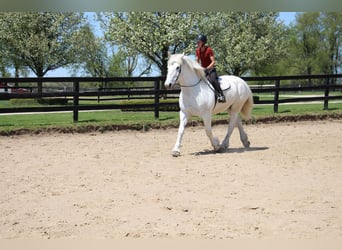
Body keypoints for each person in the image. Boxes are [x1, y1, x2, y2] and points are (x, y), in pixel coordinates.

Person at [195, 34, 226, 103]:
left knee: (214, 80)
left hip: (211, 69)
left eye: (199, 42)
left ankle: (221, 95)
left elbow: (213, 62)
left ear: (203, 42)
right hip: (203, 70)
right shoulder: (197, 51)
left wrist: (207, 68)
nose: (197, 43)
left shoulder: (209, 50)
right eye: (197, 42)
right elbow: (196, 61)